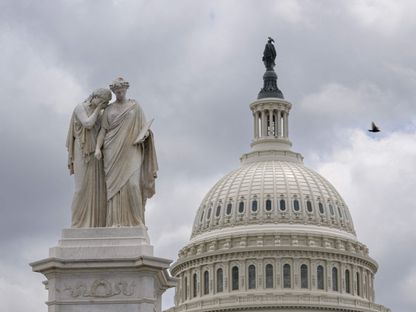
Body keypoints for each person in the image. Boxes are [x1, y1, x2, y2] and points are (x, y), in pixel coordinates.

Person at [95, 77, 158, 227]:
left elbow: (144, 127)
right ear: (114, 92)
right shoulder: (109, 109)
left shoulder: (135, 107)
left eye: (122, 90)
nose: (120, 93)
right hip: (112, 150)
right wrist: (98, 148)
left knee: (133, 185)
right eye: (117, 91)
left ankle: (137, 222)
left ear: (126, 90)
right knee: (114, 190)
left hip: (132, 148)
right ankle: (115, 222)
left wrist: (146, 135)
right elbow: (103, 131)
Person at [66, 88, 112, 227]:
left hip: (96, 154)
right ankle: (76, 224)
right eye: (102, 101)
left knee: (97, 189)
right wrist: (98, 109)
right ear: (94, 97)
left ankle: (95, 224)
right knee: (81, 188)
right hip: (82, 150)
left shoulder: (102, 112)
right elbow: (87, 124)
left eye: (105, 103)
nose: (103, 104)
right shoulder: (80, 107)